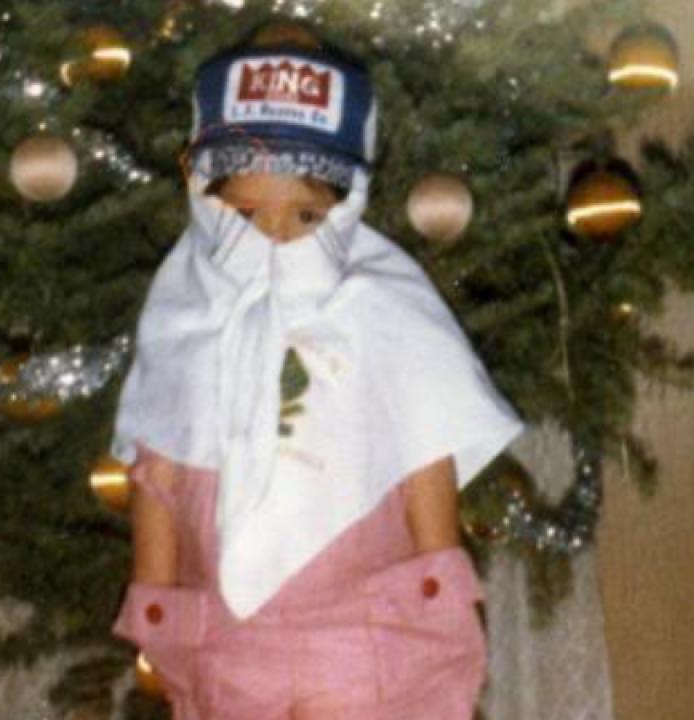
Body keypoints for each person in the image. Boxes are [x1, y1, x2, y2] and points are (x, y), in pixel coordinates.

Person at [110, 21, 526, 720]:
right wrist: (157, 595)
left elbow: (424, 441)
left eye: (303, 214)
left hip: (363, 632)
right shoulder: (183, 311)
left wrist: (440, 578)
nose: (273, 237)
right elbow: (157, 459)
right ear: (205, 193)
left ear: (345, 205)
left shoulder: (380, 306)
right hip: (231, 645)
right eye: (245, 213)